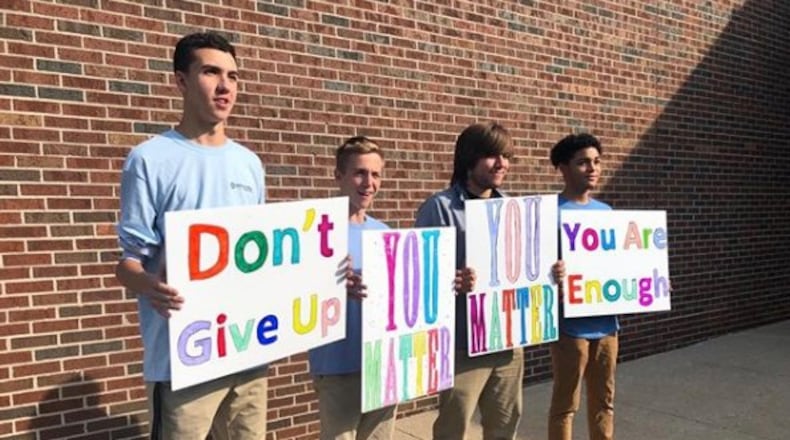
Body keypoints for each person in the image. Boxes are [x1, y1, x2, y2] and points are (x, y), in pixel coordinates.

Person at [115, 32, 268, 440]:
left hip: (246, 351)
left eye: (233, 76)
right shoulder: (149, 158)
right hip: (184, 361)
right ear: (181, 81)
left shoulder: (249, 164)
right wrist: (150, 284)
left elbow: (263, 256)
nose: (225, 86)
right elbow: (127, 264)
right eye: (211, 72)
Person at [415, 122, 521, 440]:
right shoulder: (439, 208)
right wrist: (450, 280)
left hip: (507, 341)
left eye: (506, 155)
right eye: (492, 155)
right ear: (469, 159)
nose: (501, 163)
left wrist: (550, 273)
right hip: (461, 344)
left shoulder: (513, 209)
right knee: (453, 428)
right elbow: (417, 275)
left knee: (505, 425)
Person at [308, 136, 397, 440]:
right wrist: (330, 284)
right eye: (360, 172)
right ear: (338, 176)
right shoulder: (317, 231)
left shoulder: (384, 233)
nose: (369, 182)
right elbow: (295, 293)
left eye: (375, 174)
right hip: (337, 364)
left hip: (383, 362)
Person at [548, 133, 617, 440]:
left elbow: (621, 264)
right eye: (583, 162)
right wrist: (551, 276)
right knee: (566, 405)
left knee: (604, 402)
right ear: (563, 167)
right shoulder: (549, 213)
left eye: (597, 162)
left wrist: (652, 282)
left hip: (607, 326)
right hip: (570, 327)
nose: (593, 168)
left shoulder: (606, 212)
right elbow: (534, 271)